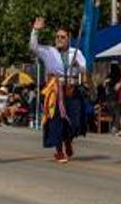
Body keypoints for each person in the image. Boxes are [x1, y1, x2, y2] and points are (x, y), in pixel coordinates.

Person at [30, 18, 88, 163]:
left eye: (62, 37)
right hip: (55, 90)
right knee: (56, 121)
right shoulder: (49, 51)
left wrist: (78, 65)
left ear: (69, 38)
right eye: (57, 37)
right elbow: (33, 47)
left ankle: (68, 140)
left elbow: (84, 68)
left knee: (73, 121)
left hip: (71, 89)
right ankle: (59, 150)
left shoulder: (76, 52)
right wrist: (35, 30)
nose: (59, 39)